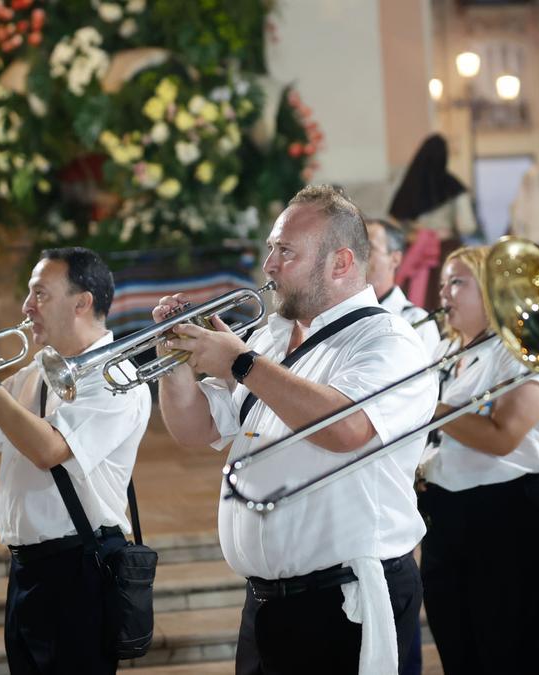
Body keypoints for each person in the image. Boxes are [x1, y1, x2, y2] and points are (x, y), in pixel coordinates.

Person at [155, 185, 437, 675]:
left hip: (341, 601)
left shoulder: (388, 340)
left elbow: (346, 428)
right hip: (267, 603)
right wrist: (175, 365)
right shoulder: (271, 337)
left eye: (285, 251)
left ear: (341, 263)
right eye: (271, 248)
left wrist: (241, 363)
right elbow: (195, 429)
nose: (268, 265)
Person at [0, 247, 151, 675]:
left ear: (82, 302)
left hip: (80, 569)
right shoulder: (36, 372)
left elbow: (49, 450)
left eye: (40, 294)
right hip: (28, 570)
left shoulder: (117, 377)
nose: (27, 307)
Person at [418, 245, 539, 674]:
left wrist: (428, 407)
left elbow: (504, 437)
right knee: (458, 649)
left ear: (492, 291)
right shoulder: (441, 355)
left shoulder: (523, 347)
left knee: (506, 651)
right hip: (447, 512)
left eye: (458, 282)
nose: (444, 293)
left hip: (513, 511)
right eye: (444, 282)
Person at [388, 134, 479, 307]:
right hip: (446, 251)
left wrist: (415, 234)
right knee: (447, 300)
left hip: (414, 252)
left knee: (413, 304)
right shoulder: (453, 187)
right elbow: (466, 225)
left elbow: (395, 221)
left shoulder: (410, 185)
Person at [366, 217, 441, 355]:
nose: (359, 257)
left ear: (395, 259)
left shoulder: (418, 321)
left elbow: (428, 375)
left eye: (369, 249)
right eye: (356, 248)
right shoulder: (338, 311)